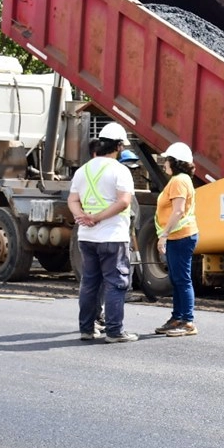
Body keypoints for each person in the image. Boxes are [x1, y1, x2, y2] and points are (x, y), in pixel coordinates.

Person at [68, 121, 137, 343]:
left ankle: (86, 329)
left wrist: (82, 217)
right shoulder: (120, 170)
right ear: (117, 146)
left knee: (89, 284)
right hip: (112, 237)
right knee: (116, 283)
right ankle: (115, 331)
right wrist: (97, 218)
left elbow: (72, 199)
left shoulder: (82, 170)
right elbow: (124, 202)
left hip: (87, 237)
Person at [153, 142, 199, 337]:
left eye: (167, 160)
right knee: (177, 278)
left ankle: (187, 321)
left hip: (180, 236)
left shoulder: (179, 181)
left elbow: (178, 210)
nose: (164, 164)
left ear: (175, 162)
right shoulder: (182, 179)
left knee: (181, 279)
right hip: (179, 236)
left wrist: (163, 235)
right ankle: (177, 317)